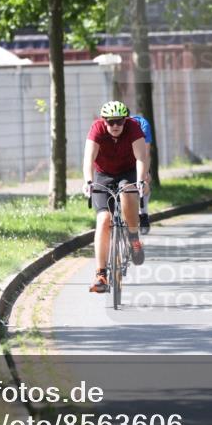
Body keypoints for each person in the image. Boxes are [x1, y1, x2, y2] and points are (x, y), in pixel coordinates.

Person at [83, 101, 151, 292]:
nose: (115, 126)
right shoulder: (97, 129)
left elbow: (141, 157)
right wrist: (88, 181)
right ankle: (101, 275)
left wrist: (141, 180)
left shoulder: (133, 127)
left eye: (119, 121)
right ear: (103, 121)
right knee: (104, 219)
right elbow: (88, 159)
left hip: (128, 172)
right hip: (103, 175)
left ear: (125, 120)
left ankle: (133, 237)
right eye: (110, 122)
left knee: (128, 193)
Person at [130, 113, 153, 233]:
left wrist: (145, 174)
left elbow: (145, 154)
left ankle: (143, 213)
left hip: (139, 155)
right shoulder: (112, 126)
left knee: (144, 181)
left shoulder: (142, 125)